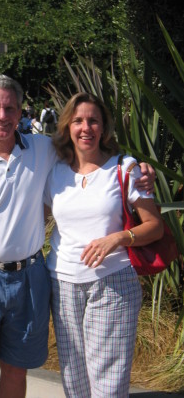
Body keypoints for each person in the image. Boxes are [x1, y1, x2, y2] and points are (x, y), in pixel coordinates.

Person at [0, 76, 155, 398]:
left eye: (10, 108)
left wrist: (141, 169)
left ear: (20, 112)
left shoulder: (43, 149)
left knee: (17, 368)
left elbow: (88, 163)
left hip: (30, 277)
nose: (1, 116)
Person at [43, 92, 163, 398]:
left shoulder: (125, 168)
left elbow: (154, 226)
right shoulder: (53, 171)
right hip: (63, 282)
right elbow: (30, 216)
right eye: (78, 120)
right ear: (67, 126)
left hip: (114, 283)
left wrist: (119, 238)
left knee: (108, 382)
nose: (86, 128)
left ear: (104, 127)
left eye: (93, 120)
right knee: (74, 379)